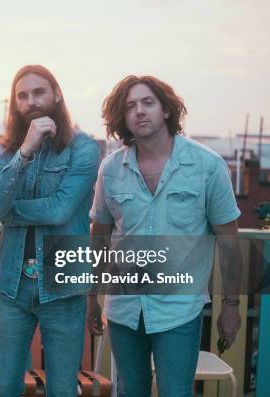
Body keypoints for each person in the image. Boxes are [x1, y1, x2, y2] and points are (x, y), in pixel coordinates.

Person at [88, 75, 243, 396]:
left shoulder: (207, 166)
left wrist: (230, 307)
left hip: (179, 312)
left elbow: (229, 243)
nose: (139, 111)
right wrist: (90, 297)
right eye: (130, 106)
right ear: (123, 118)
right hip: (124, 309)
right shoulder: (111, 169)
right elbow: (99, 236)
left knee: (175, 392)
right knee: (131, 391)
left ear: (166, 111)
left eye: (148, 103)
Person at [0, 64, 99, 396]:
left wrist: (10, 213)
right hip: (12, 286)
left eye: (39, 92)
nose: (31, 101)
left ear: (57, 95)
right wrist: (24, 152)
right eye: (22, 95)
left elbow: (61, 209)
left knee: (62, 389)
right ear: (14, 104)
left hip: (63, 286)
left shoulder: (84, 149)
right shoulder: (5, 152)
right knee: (5, 388)